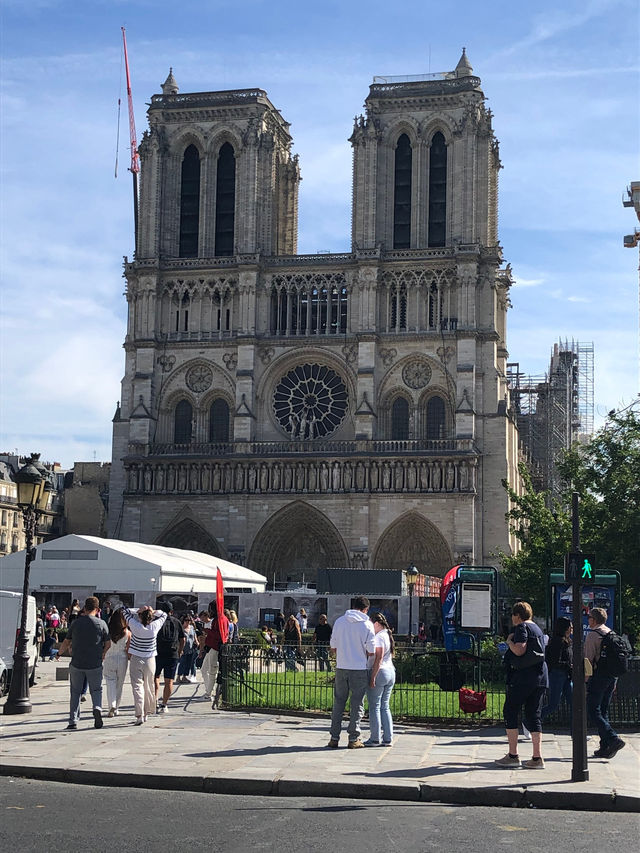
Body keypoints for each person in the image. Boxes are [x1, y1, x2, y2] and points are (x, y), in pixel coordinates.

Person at [495, 601, 548, 769]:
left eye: (513, 615)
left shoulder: (521, 628)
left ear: (517, 616)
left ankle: (513, 755)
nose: (512, 619)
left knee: (510, 710)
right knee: (534, 714)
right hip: (541, 676)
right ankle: (537, 757)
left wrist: (509, 641)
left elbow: (520, 650)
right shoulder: (537, 629)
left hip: (524, 677)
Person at [327, 595, 375, 749]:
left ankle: (334, 737)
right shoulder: (367, 625)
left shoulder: (340, 621)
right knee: (357, 704)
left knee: (339, 702)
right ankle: (353, 738)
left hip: (342, 666)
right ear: (366, 609)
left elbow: (333, 647)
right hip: (359, 668)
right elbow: (371, 651)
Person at [57, 596, 110, 731]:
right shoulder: (102, 623)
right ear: (97, 609)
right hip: (95, 663)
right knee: (96, 689)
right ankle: (97, 707)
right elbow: (108, 643)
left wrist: (58, 654)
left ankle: (73, 721)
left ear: (85, 608)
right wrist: (103, 653)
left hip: (77, 663)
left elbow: (66, 642)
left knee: (75, 692)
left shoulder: (76, 623)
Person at [585, 607, 625, 759]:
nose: (588, 620)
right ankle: (605, 746)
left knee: (592, 710)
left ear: (593, 620)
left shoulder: (592, 635)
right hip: (612, 676)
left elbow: (588, 660)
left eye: (589, 617)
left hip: (598, 676)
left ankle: (613, 738)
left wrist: (586, 680)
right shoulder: (611, 633)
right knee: (603, 710)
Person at [122, 604, 167, 725]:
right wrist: (152, 611)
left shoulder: (135, 625)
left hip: (136, 657)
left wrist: (138, 610)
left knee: (137, 686)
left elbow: (125, 612)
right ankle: (147, 712)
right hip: (150, 659)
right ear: (151, 617)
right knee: (149, 685)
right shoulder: (154, 626)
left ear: (140, 616)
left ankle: (139, 714)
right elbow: (164, 614)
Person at [365, 612, 396, 746]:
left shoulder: (378, 637)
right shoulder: (387, 635)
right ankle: (388, 737)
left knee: (374, 707)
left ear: (377, 623)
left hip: (380, 672)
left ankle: (375, 738)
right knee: (385, 706)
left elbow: (378, 657)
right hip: (390, 672)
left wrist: (373, 677)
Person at [154, 601, 185, 713]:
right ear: (171, 611)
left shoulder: (156, 622)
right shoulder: (177, 622)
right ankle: (164, 704)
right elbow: (182, 639)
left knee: (155, 677)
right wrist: (180, 651)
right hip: (172, 654)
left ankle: (155, 701)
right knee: (169, 680)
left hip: (158, 653)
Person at [541, 616, 573, 723]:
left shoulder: (567, 641)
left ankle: (576, 731)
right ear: (565, 628)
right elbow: (555, 662)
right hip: (557, 674)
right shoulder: (557, 641)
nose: (572, 628)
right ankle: (530, 721)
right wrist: (568, 665)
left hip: (566, 675)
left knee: (574, 703)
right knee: (553, 704)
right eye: (570, 627)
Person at [198, 602, 229, 702]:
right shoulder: (221, 619)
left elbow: (219, 635)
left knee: (212, 671)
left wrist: (207, 631)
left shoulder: (219, 620)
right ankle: (208, 690)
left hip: (215, 647)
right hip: (211, 647)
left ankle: (209, 693)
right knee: (204, 669)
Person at [103, 608, 131, 717]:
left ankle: (112, 705)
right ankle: (116, 708)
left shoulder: (108, 630)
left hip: (110, 657)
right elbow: (128, 649)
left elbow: (105, 645)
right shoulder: (127, 632)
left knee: (110, 682)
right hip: (122, 658)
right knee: (120, 684)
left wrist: (103, 654)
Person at [178, 614, 198, 683]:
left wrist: (197, 641)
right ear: (183, 621)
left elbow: (194, 635)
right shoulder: (181, 628)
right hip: (183, 648)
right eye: (186, 620)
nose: (188, 622)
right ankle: (178, 676)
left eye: (189, 620)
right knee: (182, 663)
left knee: (189, 663)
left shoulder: (192, 627)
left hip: (191, 648)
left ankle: (185, 676)